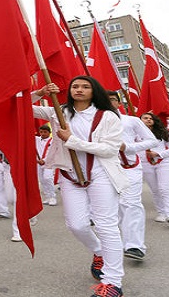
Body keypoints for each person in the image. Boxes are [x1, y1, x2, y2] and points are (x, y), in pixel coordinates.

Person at [33, 77, 126, 297]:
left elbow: (110, 149)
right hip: (70, 175)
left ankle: (113, 282)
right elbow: (21, 106)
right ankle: (98, 252)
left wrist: (72, 140)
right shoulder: (59, 110)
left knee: (106, 226)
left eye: (85, 87)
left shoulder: (107, 116)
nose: (80, 90)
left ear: (95, 91)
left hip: (102, 174)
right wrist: (40, 91)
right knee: (76, 225)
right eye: (75, 86)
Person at [108, 92, 158, 262]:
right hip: (105, 169)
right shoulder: (94, 121)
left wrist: (127, 147)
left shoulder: (131, 120)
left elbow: (152, 141)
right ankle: (116, 243)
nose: (108, 102)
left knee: (131, 203)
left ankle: (134, 245)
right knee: (116, 208)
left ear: (119, 102)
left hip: (129, 167)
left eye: (112, 99)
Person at [139, 112, 169, 227]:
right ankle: (161, 212)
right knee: (155, 189)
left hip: (164, 162)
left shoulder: (163, 133)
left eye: (150, 118)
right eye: (145, 118)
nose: (148, 120)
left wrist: (158, 154)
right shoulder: (136, 134)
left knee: (165, 189)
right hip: (146, 164)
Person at [35, 124, 57, 206]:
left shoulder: (52, 141)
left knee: (48, 178)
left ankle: (52, 197)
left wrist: (44, 160)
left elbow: (52, 152)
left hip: (49, 162)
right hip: (39, 163)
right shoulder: (36, 139)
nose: (43, 134)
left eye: (45, 132)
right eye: (41, 132)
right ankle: (47, 196)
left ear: (49, 132)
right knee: (42, 180)